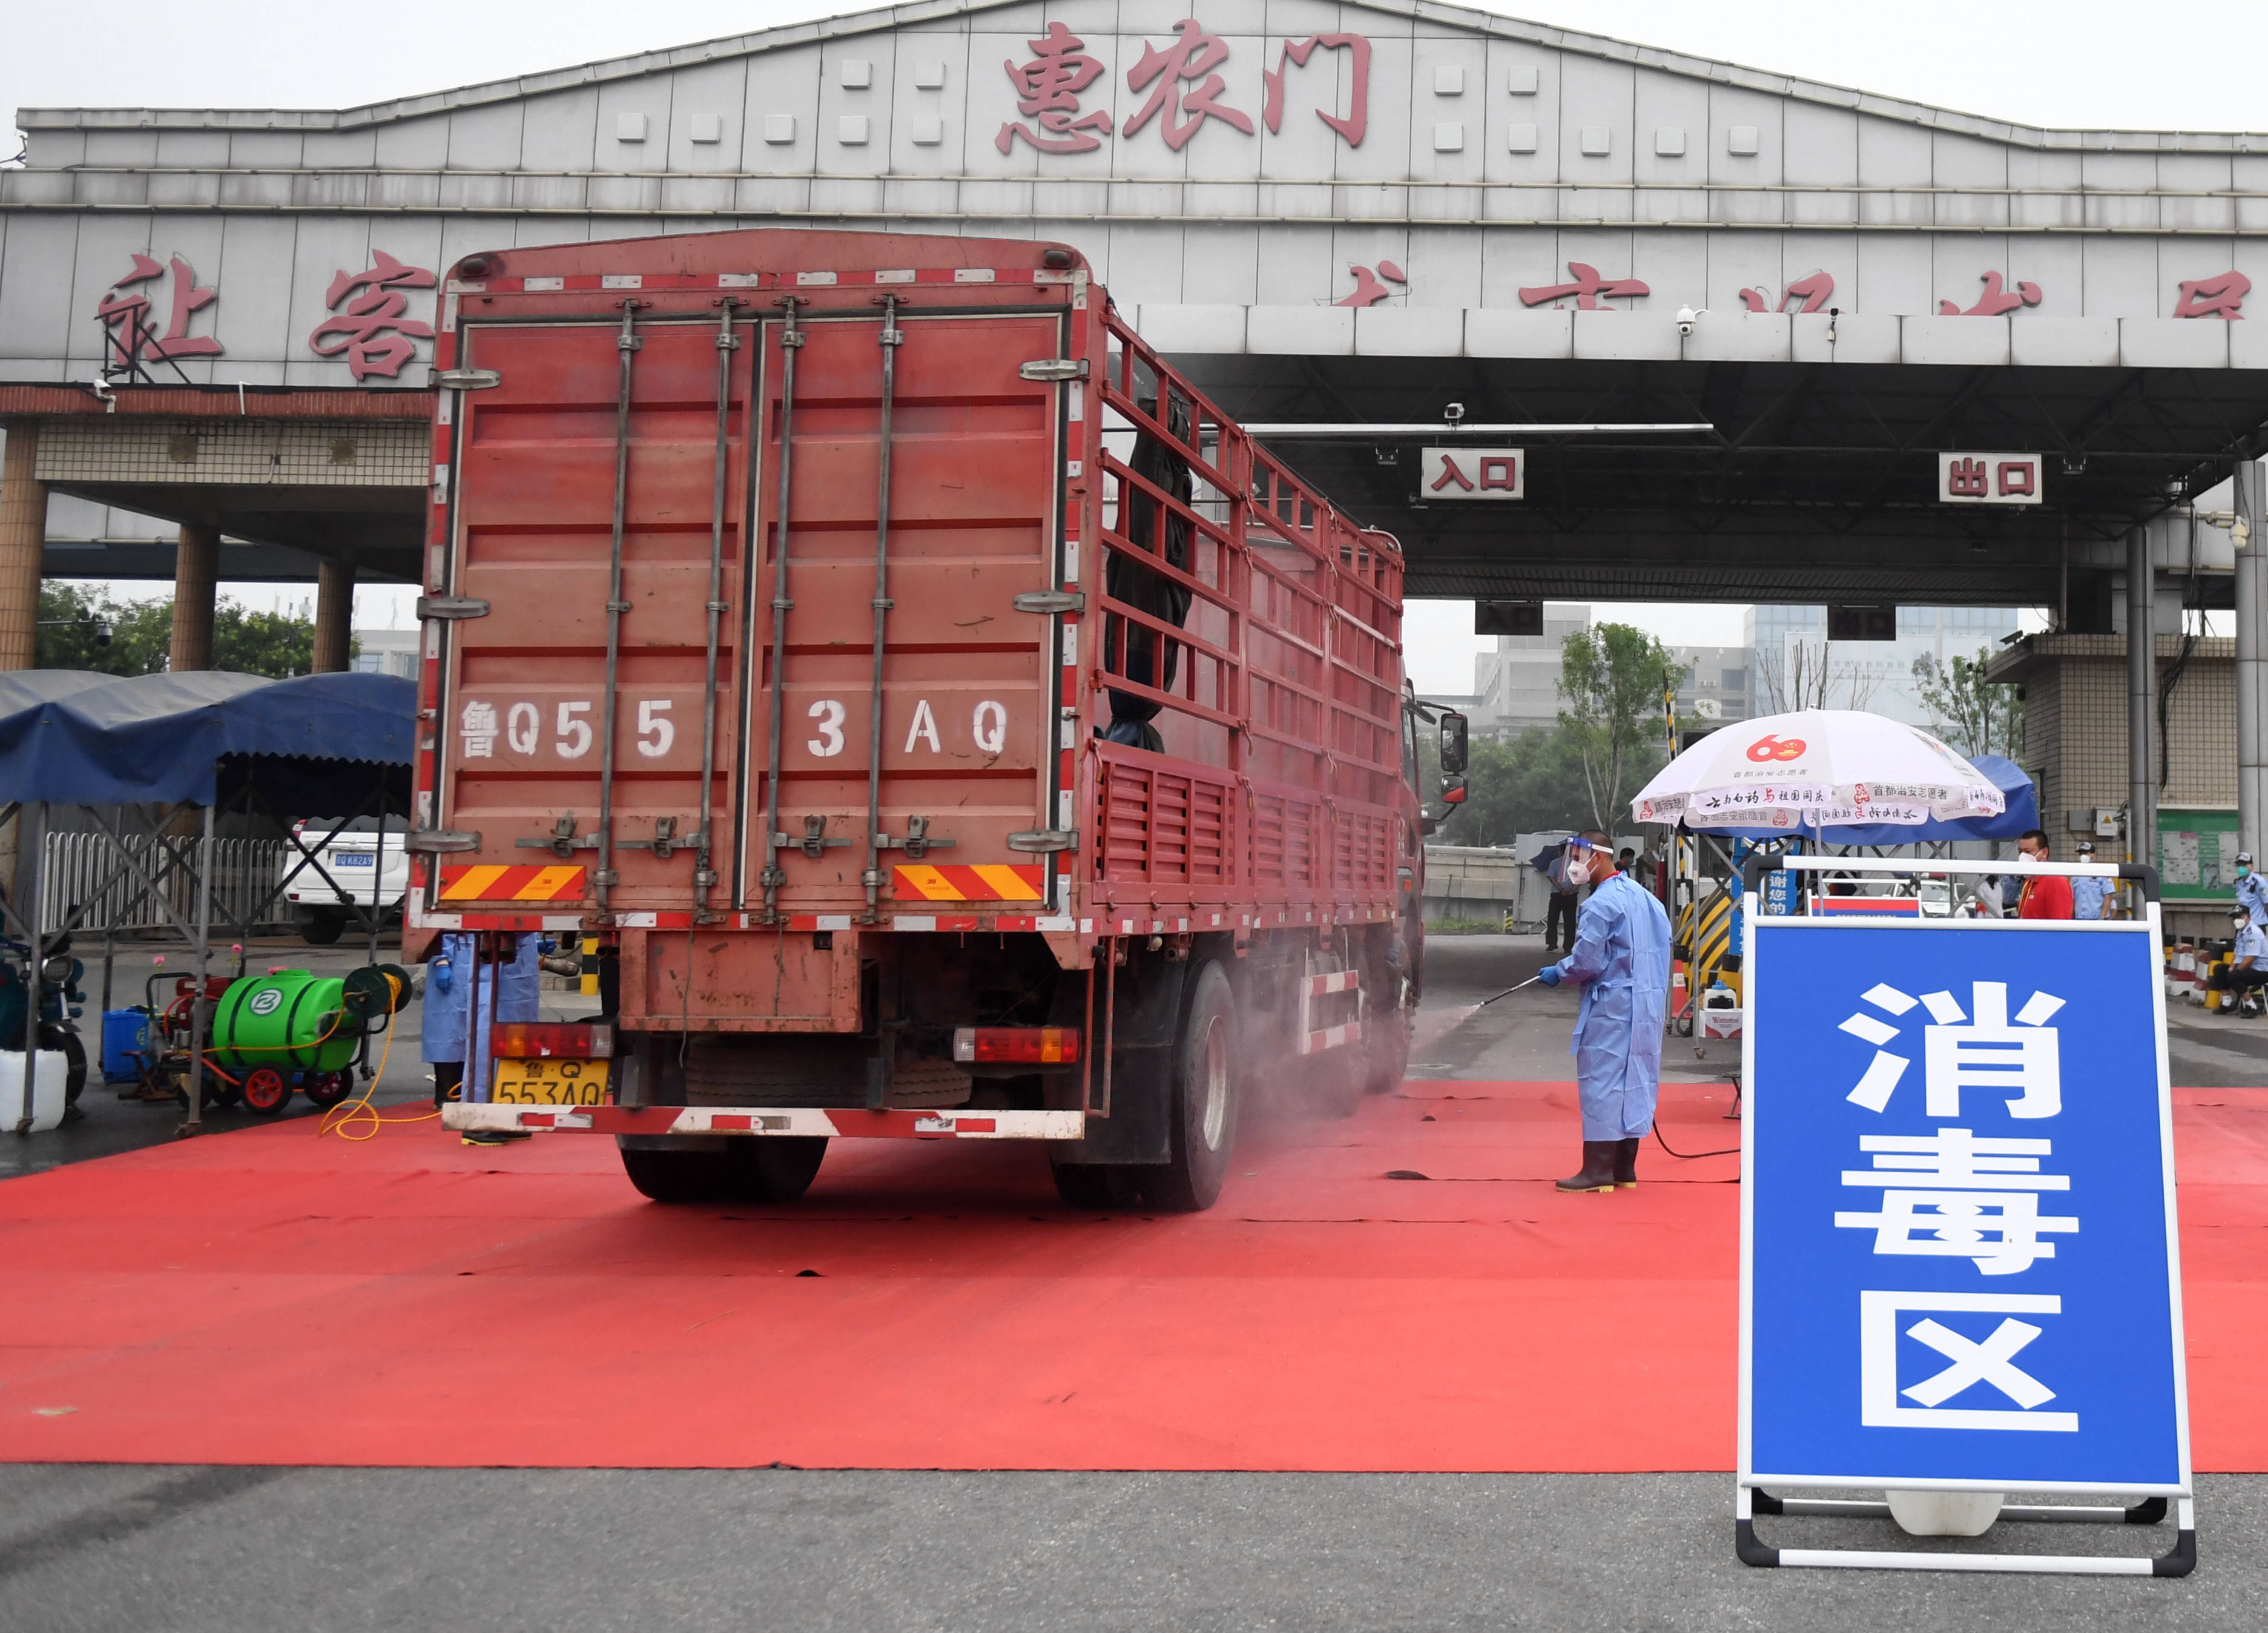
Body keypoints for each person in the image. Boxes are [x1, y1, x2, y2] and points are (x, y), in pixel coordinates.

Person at [1537, 831, 1673, 1193]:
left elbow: (1587, 961)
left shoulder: (1599, 905)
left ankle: (1597, 1171)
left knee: (1602, 1083)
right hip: (1646, 1006)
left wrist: (1559, 972)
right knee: (1637, 1081)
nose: (1573, 865)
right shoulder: (1648, 901)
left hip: (1612, 1006)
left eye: (1576, 856)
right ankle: (1624, 1170)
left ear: (1596, 856)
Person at [422, 931, 541, 1145]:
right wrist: (442, 960)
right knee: (487, 1033)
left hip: (520, 955)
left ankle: (507, 1111)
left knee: (517, 1034)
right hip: (492, 946)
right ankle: (477, 1117)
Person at [2207, 906, 2268, 1017]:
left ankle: (2251, 1006)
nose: (2236, 920)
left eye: (2238, 917)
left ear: (2247, 917)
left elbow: (2250, 958)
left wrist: (2234, 972)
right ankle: (2227, 1002)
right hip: (2249, 969)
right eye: (2234, 918)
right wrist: (2232, 967)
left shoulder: (2253, 933)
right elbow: (2238, 955)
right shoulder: (2241, 932)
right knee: (2220, 969)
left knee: (2234, 976)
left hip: (2261, 971)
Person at [2015, 829, 2073, 919]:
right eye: (2020, 852)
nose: (2022, 856)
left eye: (2028, 852)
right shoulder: (2028, 882)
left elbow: (2061, 924)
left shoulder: (2056, 882)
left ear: (2044, 853)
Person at [1543, 840, 1581, 954]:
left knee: (1553, 919)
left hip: (1557, 894)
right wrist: (1572, 890)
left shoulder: (1554, 863)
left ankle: (1552, 943)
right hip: (1571, 895)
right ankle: (1568, 946)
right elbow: (1580, 880)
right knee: (1570, 921)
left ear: (1560, 851)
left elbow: (1552, 878)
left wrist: (1561, 889)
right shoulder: (1577, 864)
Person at [2069, 839, 2111, 922]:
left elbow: (2108, 896)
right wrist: (2070, 918)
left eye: (2085, 853)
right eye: (2080, 854)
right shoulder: (2075, 875)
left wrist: (2102, 918)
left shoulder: (2102, 872)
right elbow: (2072, 899)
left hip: (2097, 919)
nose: (2082, 856)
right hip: (2079, 919)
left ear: (2093, 855)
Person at [2236, 851, 2268, 930]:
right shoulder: (2239, 883)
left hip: (2257, 925)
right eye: (2239, 865)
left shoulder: (2258, 882)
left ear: (2252, 867)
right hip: (2243, 925)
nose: (2241, 868)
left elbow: (2267, 903)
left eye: (2244, 865)